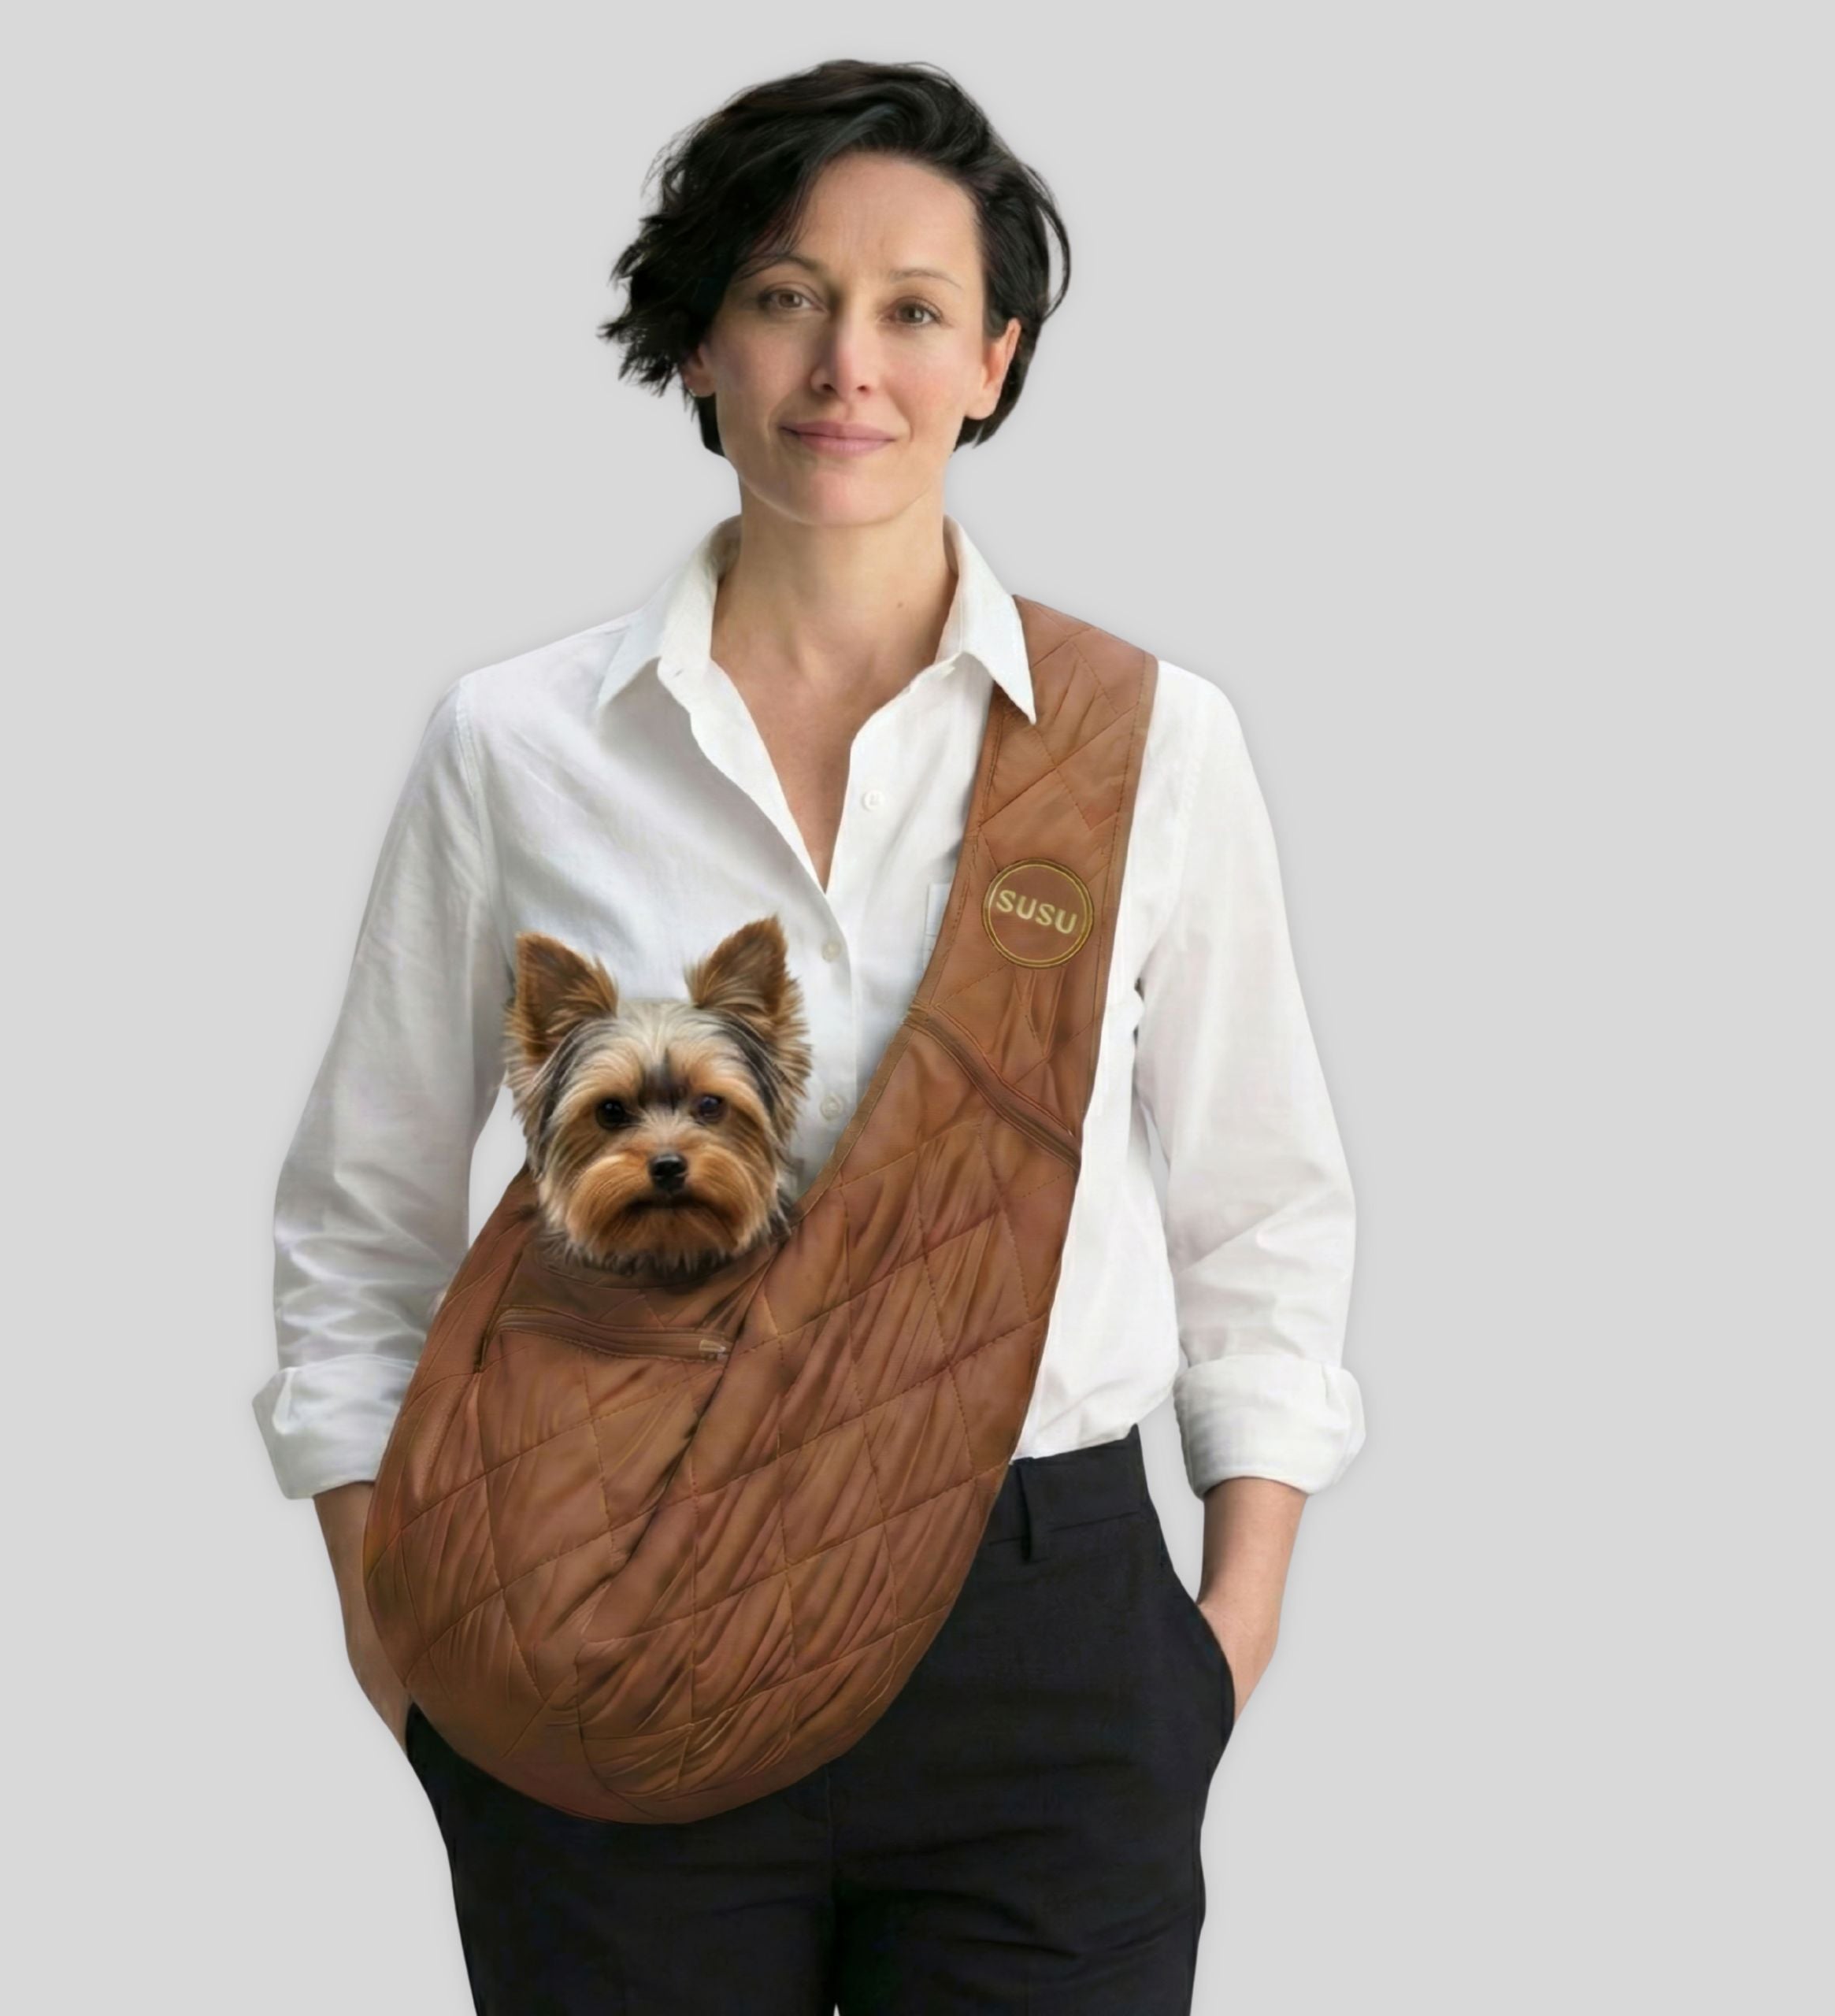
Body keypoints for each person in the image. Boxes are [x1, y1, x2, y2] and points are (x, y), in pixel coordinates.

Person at [254, 56, 1365, 2014]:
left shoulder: (1141, 745)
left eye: (912, 309)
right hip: (608, 1601)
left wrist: (1224, 1625)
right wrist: (390, 1633)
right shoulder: (517, 745)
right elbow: (358, 1219)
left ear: (991, 363)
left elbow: (1258, 1208)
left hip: (1049, 1631)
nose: (845, 360)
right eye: (783, 294)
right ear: (697, 343)